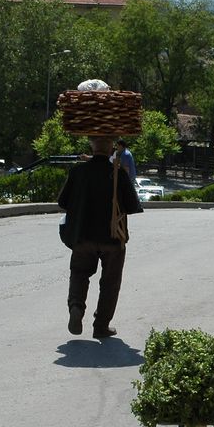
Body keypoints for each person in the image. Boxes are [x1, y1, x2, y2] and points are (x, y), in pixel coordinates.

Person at [58, 136, 143, 338]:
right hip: (112, 238)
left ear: (91, 146)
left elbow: (63, 202)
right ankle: (101, 326)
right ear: (111, 147)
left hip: (82, 236)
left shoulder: (78, 171)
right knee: (110, 282)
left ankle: (76, 308)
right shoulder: (118, 174)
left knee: (79, 273)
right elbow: (132, 206)